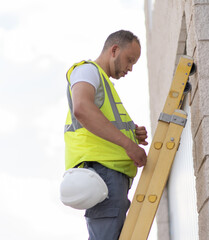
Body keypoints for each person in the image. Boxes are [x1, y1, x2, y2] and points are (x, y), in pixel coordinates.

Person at [64, 30, 148, 240]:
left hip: (109, 176)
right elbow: (82, 108)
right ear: (114, 50)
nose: (130, 68)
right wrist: (129, 146)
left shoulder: (103, 83)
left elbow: (103, 123)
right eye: (130, 60)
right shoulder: (87, 71)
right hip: (103, 174)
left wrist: (132, 134)